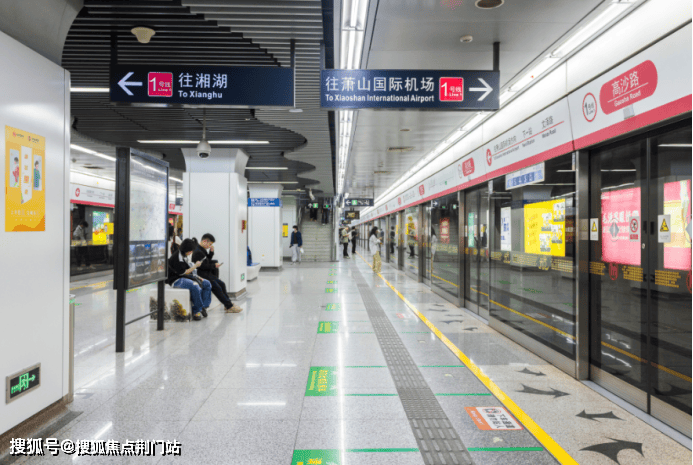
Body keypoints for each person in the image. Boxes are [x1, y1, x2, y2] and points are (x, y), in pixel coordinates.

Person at [191, 234, 242, 313]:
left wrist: (211, 252)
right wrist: (214, 266)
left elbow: (207, 260)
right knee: (217, 287)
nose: (210, 246)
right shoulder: (198, 252)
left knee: (222, 284)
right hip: (201, 274)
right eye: (210, 244)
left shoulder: (202, 249)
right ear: (205, 241)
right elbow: (202, 266)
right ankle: (229, 306)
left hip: (206, 273)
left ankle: (228, 304)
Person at [167, 238, 212, 321]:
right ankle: (197, 310)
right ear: (186, 249)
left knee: (207, 283)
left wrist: (198, 277)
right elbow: (184, 272)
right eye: (190, 250)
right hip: (176, 280)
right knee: (195, 286)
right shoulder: (177, 257)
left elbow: (189, 271)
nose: (191, 252)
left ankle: (204, 306)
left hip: (185, 277)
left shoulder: (184, 256)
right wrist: (195, 266)